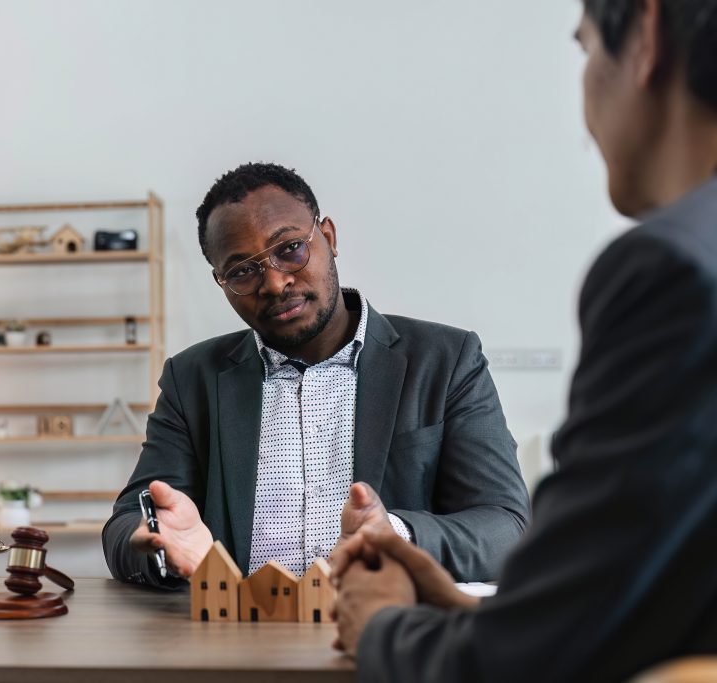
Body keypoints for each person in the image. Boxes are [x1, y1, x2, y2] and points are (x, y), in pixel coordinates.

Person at [328, 0, 717, 680]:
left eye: (587, 49)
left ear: (647, 35)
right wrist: (474, 609)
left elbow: (530, 664)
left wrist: (384, 624)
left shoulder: (674, 270)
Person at [102, 162, 530, 587]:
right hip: (239, 640)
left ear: (328, 237)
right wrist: (161, 544)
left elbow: (506, 528)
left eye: (289, 249)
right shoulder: (192, 379)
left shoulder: (445, 360)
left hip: (389, 636)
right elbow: (125, 525)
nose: (273, 282)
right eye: (242, 271)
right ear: (221, 281)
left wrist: (398, 536)